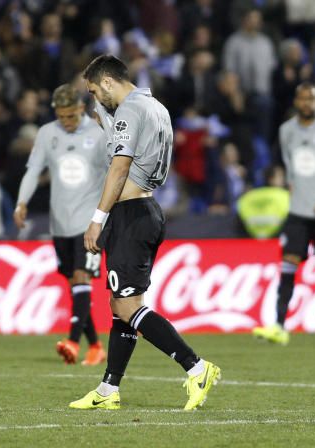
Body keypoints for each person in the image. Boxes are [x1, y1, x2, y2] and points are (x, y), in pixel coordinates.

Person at [71, 55, 222, 412]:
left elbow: (120, 167)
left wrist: (97, 217)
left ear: (108, 82)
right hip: (147, 210)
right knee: (120, 305)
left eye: (95, 89)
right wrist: (106, 122)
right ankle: (109, 389)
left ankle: (197, 367)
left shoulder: (129, 110)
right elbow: (137, 153)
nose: (97, 97)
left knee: (127, 305)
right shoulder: (156, 108)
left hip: (130, 215)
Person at [252, 83, 315, 347]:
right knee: (288, 263)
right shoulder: (286, 131)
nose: (306, 103)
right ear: (296, 101)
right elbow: (290, 167)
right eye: (302, 98)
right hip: (299, 210)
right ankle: (279, 326)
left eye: (311, 98)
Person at [14, 84, 108, 367]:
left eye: (71, 115)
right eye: (61, 116)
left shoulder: (99, 134)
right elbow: (33, 170)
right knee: (75, 283)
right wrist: (21, 202)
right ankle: (95, 346)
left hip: (90, 223)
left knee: (82, 278)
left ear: (81, 108)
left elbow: (114, 171)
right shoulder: (47, 134)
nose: (66, 121)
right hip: (60, 224)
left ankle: (71, 341)